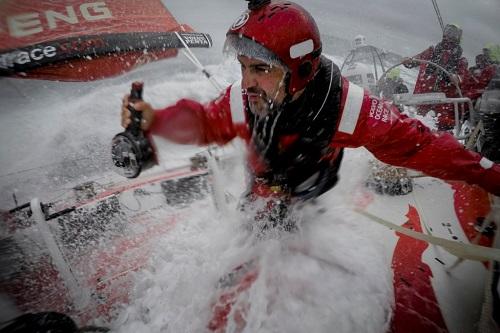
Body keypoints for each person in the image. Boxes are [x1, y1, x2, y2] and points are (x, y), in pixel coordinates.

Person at [121, 0, 500, 230]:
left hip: (309, 202)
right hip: (260, 194)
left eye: (261, 69)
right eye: (243, 66)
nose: (246, 82)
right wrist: (155, 120)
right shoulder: (243, 100)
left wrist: (492, 176)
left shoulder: (350, 111)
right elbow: (202, 122)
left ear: (300, 69)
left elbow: (424, 146)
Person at [403, 24, 469, 130]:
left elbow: (462, 78)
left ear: (458, 38)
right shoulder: (431, 52)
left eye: (453, 33)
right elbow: (414, 61)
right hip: (421, 100)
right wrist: (408, 60)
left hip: (441, 106)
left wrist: (456, 78)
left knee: (434, 129)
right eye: (448, 31)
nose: (449, 36)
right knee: (413, 125)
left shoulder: (461, 61)